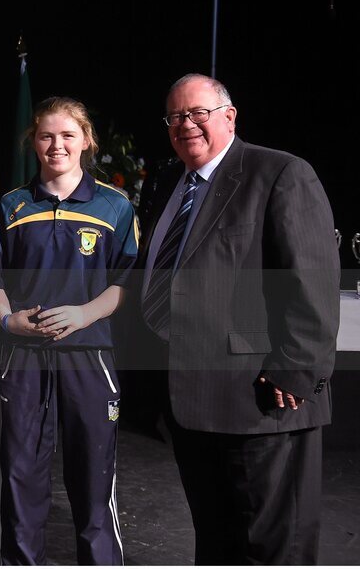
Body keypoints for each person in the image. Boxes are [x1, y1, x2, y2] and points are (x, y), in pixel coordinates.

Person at [136, 73, 338, 564]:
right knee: (218, 540)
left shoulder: (281, 173)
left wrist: (296, 368)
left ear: (229, 116)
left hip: (263, 400)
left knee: (274, 547)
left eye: (197, 113)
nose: (185, 125)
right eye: (175, 117)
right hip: (194, 399)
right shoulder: (168, 182)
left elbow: (311, 277)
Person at [0, 97, 137, 565]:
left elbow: (126, 285)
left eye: (68, 135)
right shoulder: (12, 206)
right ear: (33, 141)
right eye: (47, 135)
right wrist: (8, 319)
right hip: (24, 359)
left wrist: (84, 314)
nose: (57, 145)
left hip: (88, 355)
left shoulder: (114, 206)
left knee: (93, 478)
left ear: (86, 141)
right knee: (20, 477)